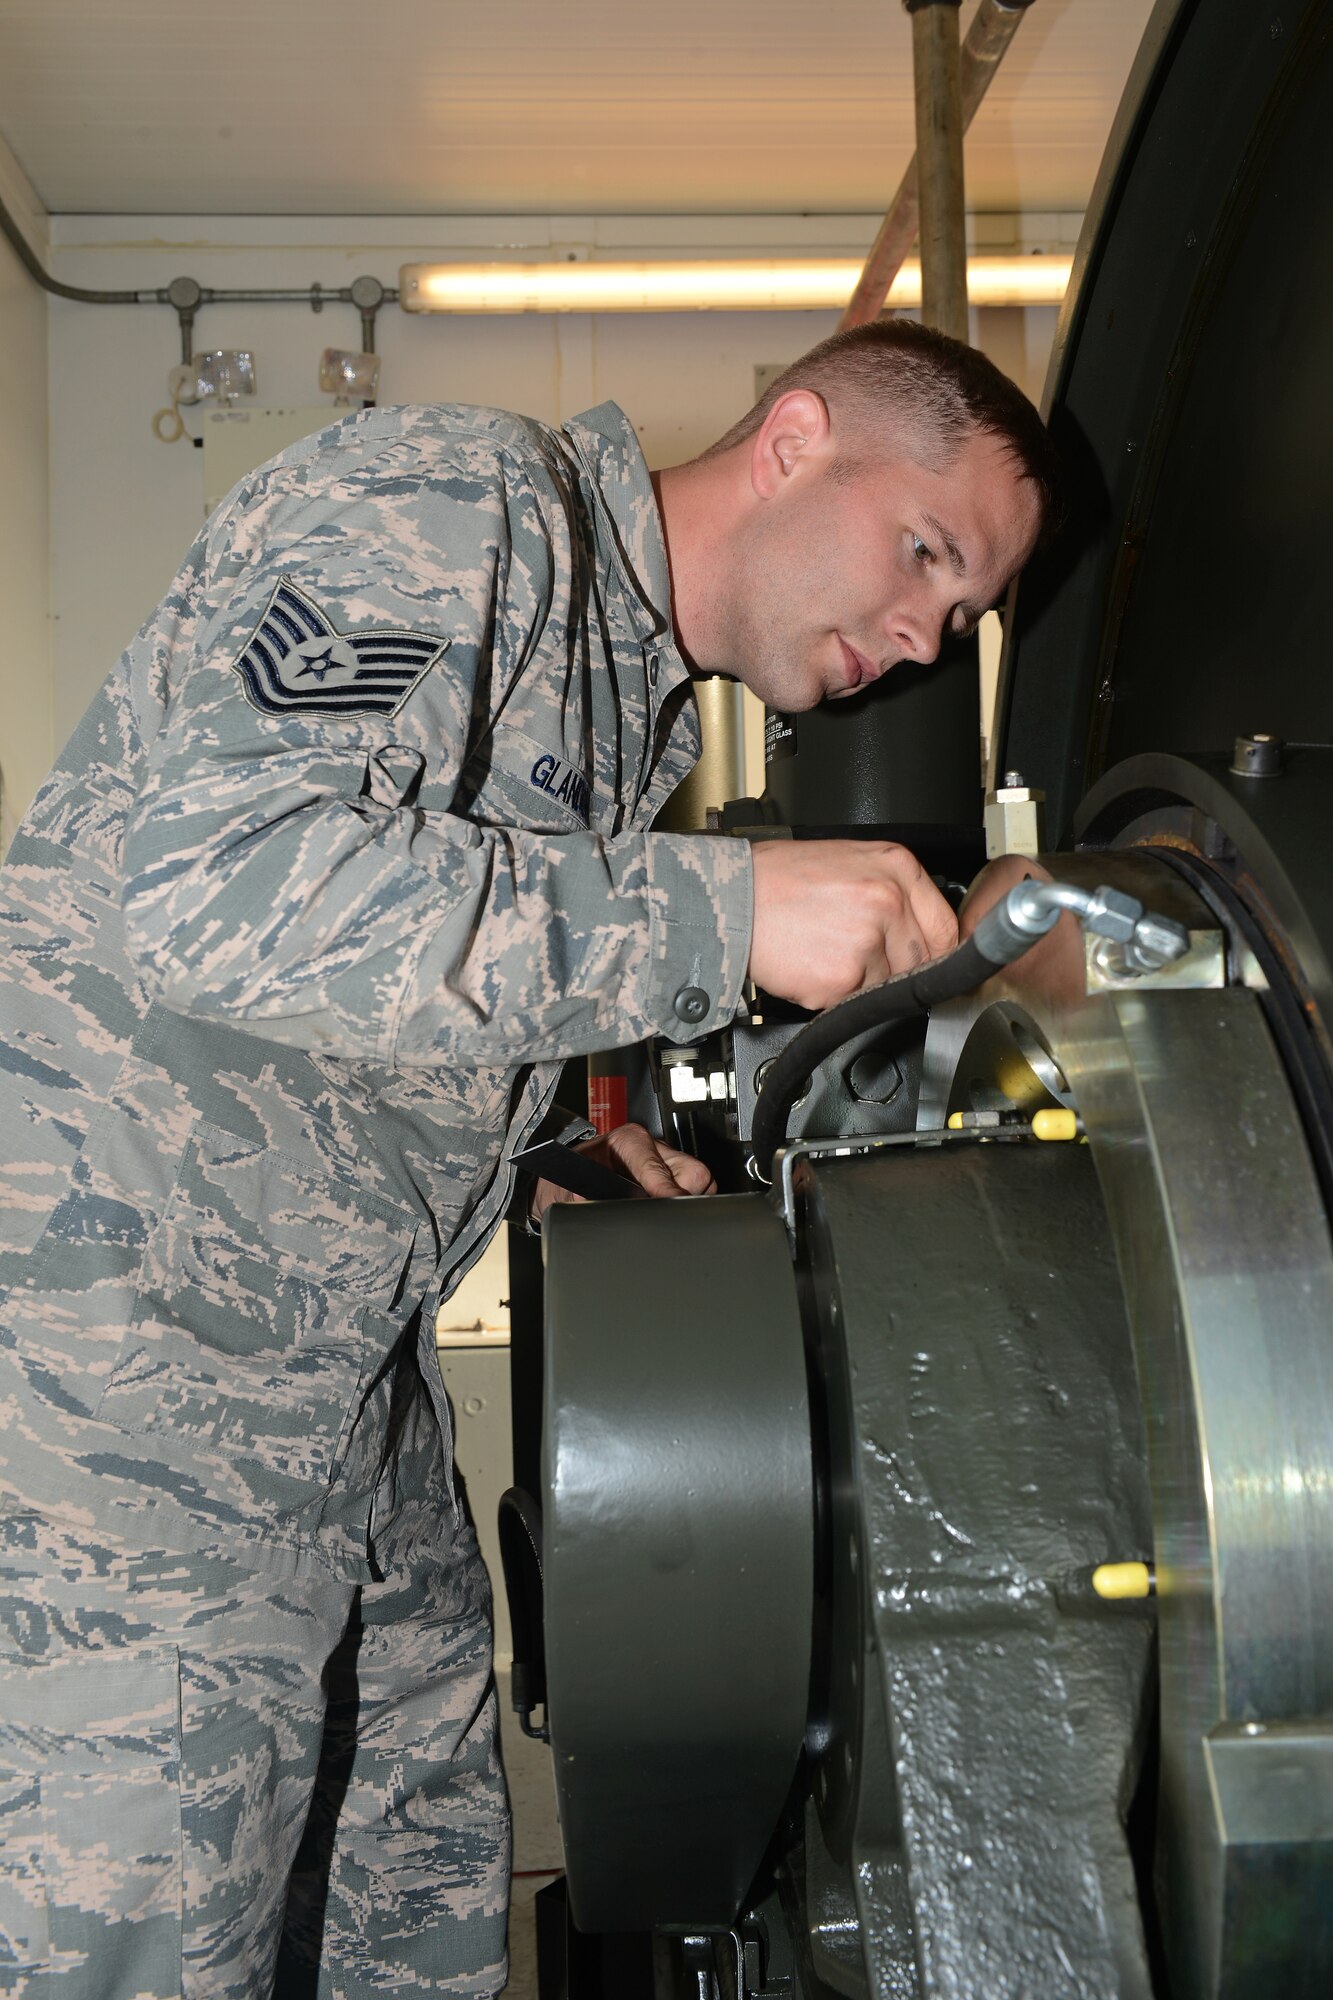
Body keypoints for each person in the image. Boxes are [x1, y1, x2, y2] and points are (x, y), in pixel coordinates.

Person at [0, 317, 1055, 1997]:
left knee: (406, 1891)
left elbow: (405, 979)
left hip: (331, 1382)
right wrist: (730, 908)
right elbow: (221, 890)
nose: (925, 632)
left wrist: (554, 1141)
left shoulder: (625, 706)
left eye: (959, 611)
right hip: (116, 1384)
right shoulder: (457, 496)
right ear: (792, 441)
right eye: (923, 552)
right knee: (135, 1938)